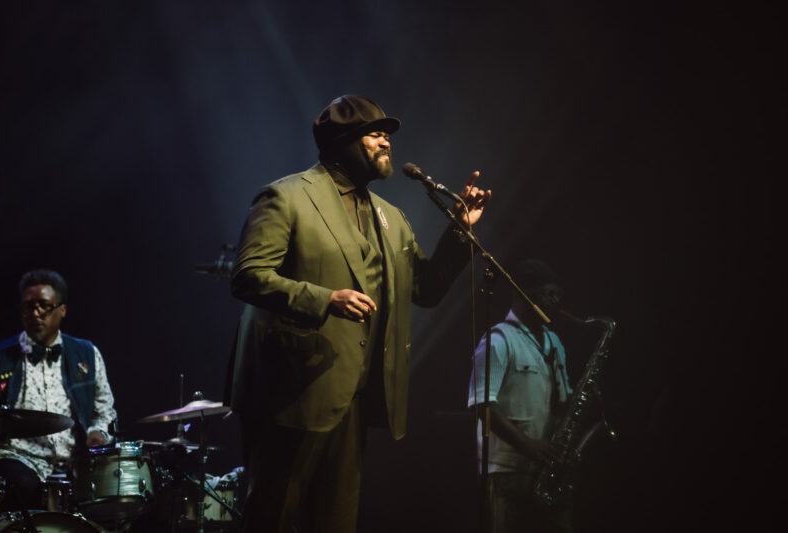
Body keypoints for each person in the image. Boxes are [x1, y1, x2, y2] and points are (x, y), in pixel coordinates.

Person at [226, 94, 491, 532]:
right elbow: (248, 276)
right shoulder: (287, 196)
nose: (386, 140)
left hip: (354, 398)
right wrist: (324, 299)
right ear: (342, 142)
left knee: (335, 522)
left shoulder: (391, 217)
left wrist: (459, 232)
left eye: (387, 133)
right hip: (290, 393)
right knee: (272, 517)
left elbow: (424, 288)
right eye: (374, 132)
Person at [468, 259, 574, 533]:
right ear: (522, 294)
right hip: (505, 472)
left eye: (557, 295)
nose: (554, 302)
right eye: (546, 294)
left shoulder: (554, 342)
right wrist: (528, 444)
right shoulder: (498, 340)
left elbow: (562, 404)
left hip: (544, 471)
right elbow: (483, 408)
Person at [0, 269, 116, 513]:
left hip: (74, 462)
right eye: (28, 306)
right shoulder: (1, 357)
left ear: (62, 310)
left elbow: (104, 409)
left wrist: (98, 432)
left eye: (44, 306)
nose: (35, 313)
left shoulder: (87, 354)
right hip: (18, 459)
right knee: (23, 484)